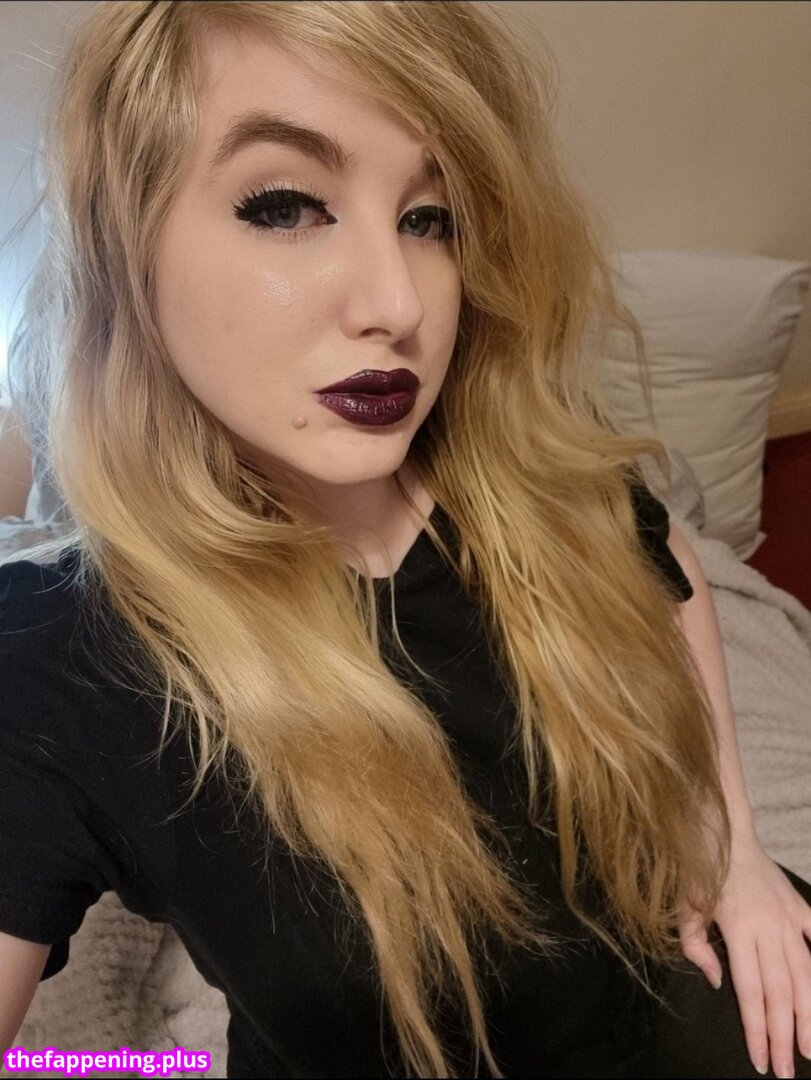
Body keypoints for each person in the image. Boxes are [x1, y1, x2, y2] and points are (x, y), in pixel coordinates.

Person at [0, 2, 809, 1078]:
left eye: (430, 219)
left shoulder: (535, 480)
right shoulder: (66, 657)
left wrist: (734, 847)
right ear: (124, 244)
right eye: (285, 205)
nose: (398, 302)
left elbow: (667, 574)